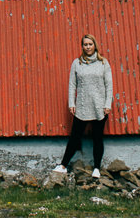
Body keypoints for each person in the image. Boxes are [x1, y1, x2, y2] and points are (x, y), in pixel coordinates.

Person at [53, 33, 113, 178]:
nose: (88, 47)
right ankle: (63, 165)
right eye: (85, 44)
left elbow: (108, 85)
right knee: (75, 137)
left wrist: (107, 104)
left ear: (95, 45)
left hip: (99, 107)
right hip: (82, 106)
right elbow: (72, 85)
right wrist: (71, 103)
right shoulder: (77, 63)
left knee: (97, 138)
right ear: (82, 47)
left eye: (90, 44)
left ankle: (97, 168)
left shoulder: (103, 63)